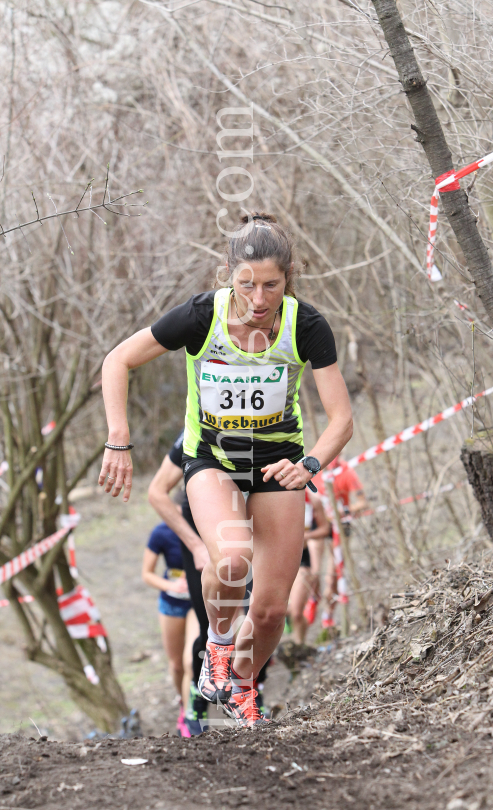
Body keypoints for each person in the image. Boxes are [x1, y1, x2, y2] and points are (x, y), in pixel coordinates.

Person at [99, 211, 353, 727]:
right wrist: (118, 438)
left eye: (271, 286)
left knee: (271, 612)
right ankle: (215, 649)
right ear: (228, 274)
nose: (259, 300)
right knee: (232, 558)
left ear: (289, 278)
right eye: (247, 285)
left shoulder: (306, 325)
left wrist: (309, 464)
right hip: (212, 459)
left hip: (278, 464)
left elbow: (342, 419)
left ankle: (242, 683)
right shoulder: (201, 317)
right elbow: (117, 360)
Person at [148, 432, 271, 733]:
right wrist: (194, 544)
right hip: (207, 549)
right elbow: (156, 492)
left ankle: (252, 690)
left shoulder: (269, 418)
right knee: (214, 624)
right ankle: (196, 702)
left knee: (262, 616)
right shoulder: (196, 429)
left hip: (251, 540)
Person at [142, 521, 199, 737]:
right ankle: (183, 704)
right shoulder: (162, 532)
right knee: (176, 666)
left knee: (190, 662)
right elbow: (147, 574)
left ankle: (191, 716)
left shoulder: (206, 525)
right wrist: (171, 586)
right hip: (172, 603)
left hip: (197, 602)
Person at [309, 455, 368, 628]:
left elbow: (363, 503)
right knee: (314, 571)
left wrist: (342, 510)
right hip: (318, 525)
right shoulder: (314, 467)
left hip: (339, 525)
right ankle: (313, 598)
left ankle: (328, 614)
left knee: (332, 577)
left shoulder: (347, 471)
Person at [287, 491, 331, 644]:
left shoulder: (313, 499)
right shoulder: (271, 496)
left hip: (304, 558)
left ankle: (299, 645)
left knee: (296, 612)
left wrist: (305, 537)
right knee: (283, 611)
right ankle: (298, 643)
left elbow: (325, 529)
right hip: (281, 558)